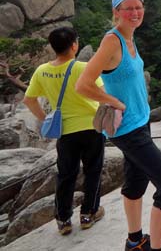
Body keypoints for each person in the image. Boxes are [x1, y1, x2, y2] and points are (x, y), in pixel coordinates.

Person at [76, 0, 161, 251]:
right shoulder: (112, 41)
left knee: (136, 182)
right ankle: (153, 247)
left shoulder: (130, 38)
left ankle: (135, 241)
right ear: (116, 12)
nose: (135, 13)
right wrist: (114, 102)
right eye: (128, 8)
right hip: (127, 130)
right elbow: (83, 85)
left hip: (139, 121)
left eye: (138, 7)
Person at [23, 26, 106, 235]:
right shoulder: (84, 68)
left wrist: (45, 119)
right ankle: (88, 214)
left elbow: (29, 100)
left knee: (66, 175)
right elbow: (101, 95)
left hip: (64, 132)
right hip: (91, 127)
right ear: (74, 45)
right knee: (93, 171)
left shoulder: (42, 71)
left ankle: (63, 220)